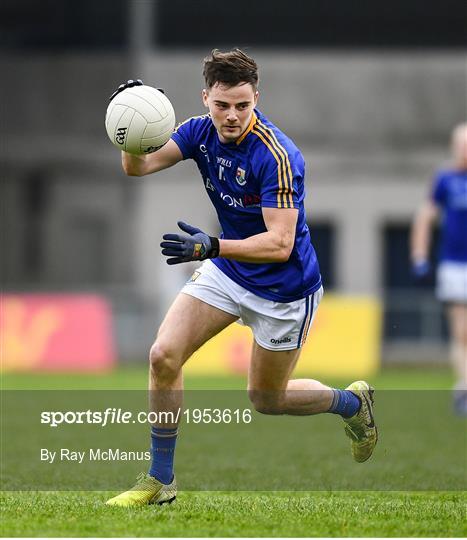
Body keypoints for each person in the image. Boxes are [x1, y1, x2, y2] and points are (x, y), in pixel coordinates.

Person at [106, 49, 377, 507]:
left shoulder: (278, 155)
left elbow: (280, 244)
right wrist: (129, 127)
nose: (232, 117)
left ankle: (353, 405)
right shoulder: (197, 132)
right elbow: (139, 166)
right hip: (230, 270)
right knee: (163, 356)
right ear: (205, 98)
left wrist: (210, 246)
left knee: (266, 400)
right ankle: (160, 481)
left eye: (243, 106)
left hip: (284, 290)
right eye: (221, 105)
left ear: (257, 99)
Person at [411, 123, 467, 415]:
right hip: (455, 265)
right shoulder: (445, 179)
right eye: (460, 145)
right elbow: (426, 217)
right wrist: (420, 255)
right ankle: (464, 386)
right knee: (461, 330)